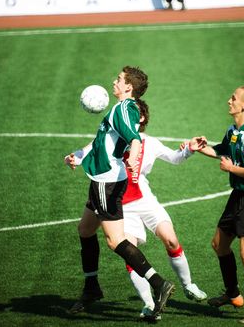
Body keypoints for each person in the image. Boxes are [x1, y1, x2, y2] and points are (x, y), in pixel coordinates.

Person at [65, 66, 174, 319]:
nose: (114, 82)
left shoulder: (123, 109)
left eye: (119, 80)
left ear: (128, 87)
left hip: (107, 182)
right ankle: (91, 287)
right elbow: (102, 140)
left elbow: (134, 138)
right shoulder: (126, 109)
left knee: (115, 240)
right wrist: (79, 156)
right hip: (101, 179)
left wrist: (134, 158)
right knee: (85, 229)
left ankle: (159, 284)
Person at [122, 99, 207, 320]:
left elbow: (174, 158)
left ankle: (188, 285)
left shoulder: (149, 142)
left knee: (171, 239)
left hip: (145, 199)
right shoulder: (114, 138)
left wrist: (189, 149)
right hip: (122, 206)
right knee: (130, 254)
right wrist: (78, 157)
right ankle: (150, 304)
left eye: (132, 112)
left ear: (141, 118)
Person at [198, 86, 244, 324]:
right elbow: (221, 151)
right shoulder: (233, 130)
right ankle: (232, 293)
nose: (228, 101)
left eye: (233, 98)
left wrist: (232, 169)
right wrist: (199, 147)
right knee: (219, 244)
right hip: (238, 195)